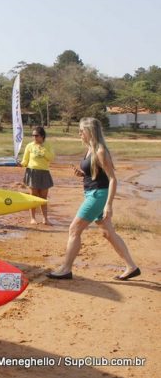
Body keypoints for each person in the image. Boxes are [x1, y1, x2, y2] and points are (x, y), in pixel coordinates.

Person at [48, 117, 140, 281]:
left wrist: (108, 205)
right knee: (108, 233)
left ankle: (66, 269)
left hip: (98, 195)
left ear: (90, 132)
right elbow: (97, 173)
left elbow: (112, 179)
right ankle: (131, 267)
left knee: (74, 229)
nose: (79, 134)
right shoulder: (90, 149)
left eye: (82, 131)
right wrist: (83, 174)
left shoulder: (100, 150)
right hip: (92, 192)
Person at [20, 126, 55, 225]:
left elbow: (51, 158)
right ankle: (33, 218)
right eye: (33, 135)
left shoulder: (47, 146)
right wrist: (21, 164)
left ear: (42, 136)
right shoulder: (29, 146)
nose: (34, 137)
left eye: (36, 135)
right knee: (33, 196)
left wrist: (43, 150)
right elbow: (25, 160)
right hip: (32, 172)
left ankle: (45, 219)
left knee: (43, 197)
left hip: (44, 173)